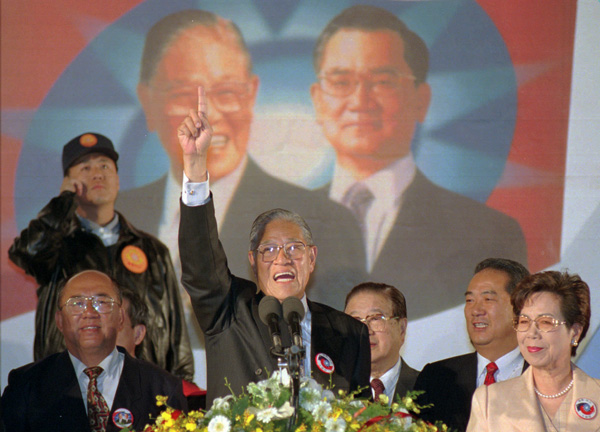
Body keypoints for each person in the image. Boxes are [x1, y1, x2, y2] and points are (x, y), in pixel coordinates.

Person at [118, 9, 365, 300]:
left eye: (227, 93)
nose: (209, 116)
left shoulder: (322, 222)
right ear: (148, 102)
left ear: (251, 96)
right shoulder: (118, 218)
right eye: (185, 95)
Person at [310, 4, 528, 317]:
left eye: (383, 81)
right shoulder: (288, 230)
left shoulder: (488, 233)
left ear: (420, 100)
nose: (359, 101)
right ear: (318, 100)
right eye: (341, 81)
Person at [176, 86, 371, 404]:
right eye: (269, 250)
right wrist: (196, 169)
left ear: (312, 258)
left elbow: (362, 415)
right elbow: (200, 264)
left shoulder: (349, 334)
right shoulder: (229, 312)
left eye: (294, 248)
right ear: (252, 260)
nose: (283, 259)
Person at [8, 132, 193, 382]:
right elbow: (25, 253)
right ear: (67, 183)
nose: (97, 174)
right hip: (70, 388)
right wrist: (62, 205)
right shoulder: (55, 247)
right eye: (85, 167)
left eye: (105, 166)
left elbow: (176, 337)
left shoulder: (153, 250)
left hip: (143, 389)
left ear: (117, 179)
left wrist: (182, 390)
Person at [0, 270, 187, 431]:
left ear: (121, 317)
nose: (89, 313)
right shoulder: (26, 387)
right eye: (77, 304)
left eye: (102, 302)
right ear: (59, 321)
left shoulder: (163, 389)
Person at [467, 271, 599, 431]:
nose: (531, 333)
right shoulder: (489, 401)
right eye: (524, 321)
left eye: (545, 322)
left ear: (575, 332)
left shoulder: (596, 394)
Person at [414, 258, 530, 431]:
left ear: (520, 308)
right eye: (470, 300)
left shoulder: (544, 378)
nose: (476, 310)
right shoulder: (436, 378)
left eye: (488, 299)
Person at [116, 288, 207, 410]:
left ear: (138, 334)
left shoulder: (171, 393)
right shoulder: (84, 387)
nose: (102, 333)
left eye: (114, 323)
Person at [344, 282, 418, 404]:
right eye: (355, 321)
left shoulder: (427, 388)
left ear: (402, 329)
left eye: (375, 318)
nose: (365, 331)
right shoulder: (331, 392)